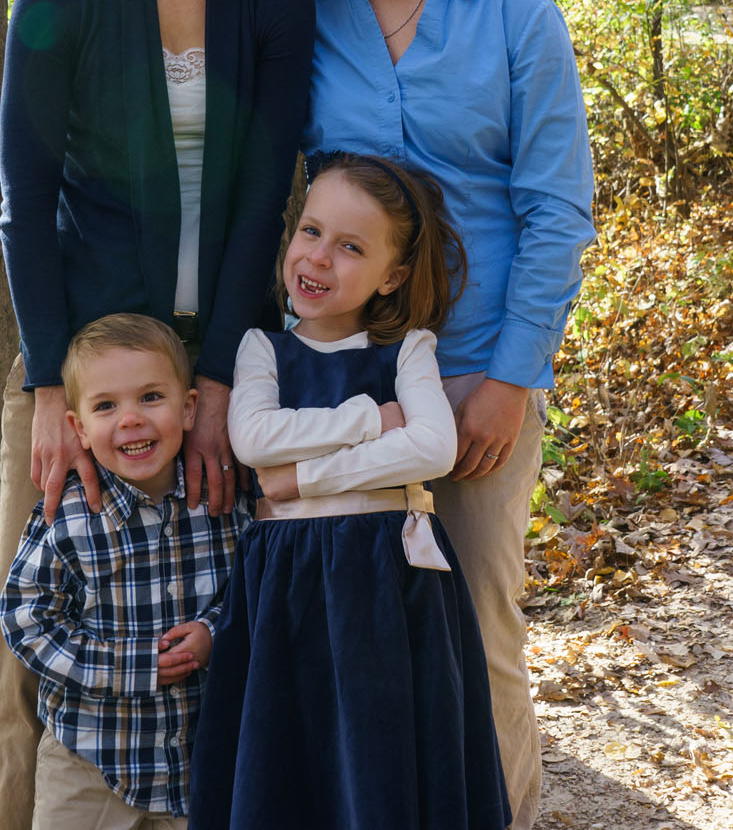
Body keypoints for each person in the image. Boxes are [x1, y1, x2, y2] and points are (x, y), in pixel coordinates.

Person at [0, 0, 315, 830]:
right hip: (80, 374)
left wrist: (222, 375)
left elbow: (269, 199)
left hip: (218, 373)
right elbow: (26, 204)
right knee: (35, 668)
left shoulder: (272, 0)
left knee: (210, 643)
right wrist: (45, 389)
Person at [301, 0, 596, 830]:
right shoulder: (306, 20)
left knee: (478, 632)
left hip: (475, 373)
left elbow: (558, 212)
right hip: (346, 384)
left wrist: (510, 379)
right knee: (357, 637)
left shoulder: (518, 18)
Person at [188, 153, 510, 830]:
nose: (319, 258)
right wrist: (374, 419)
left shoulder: (408, 351)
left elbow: (433, 448)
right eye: (310, 231)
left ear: (392, 276)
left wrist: (302, 479)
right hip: (288, 583)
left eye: (351, 247)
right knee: (293, 749)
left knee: (378, 745)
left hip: (388, 579)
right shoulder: (261, 349)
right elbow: (254, 439)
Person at [0, 314, 249, 829]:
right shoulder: (69, 516)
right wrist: (131, 666)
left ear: (189, 409)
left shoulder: (223, 503)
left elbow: (256, 590)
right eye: (106, 406)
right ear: (78, 428)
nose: (130, 419)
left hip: (194, 767)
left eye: (151, 398)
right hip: (88, 762)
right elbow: (26, 618)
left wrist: (214, 632)